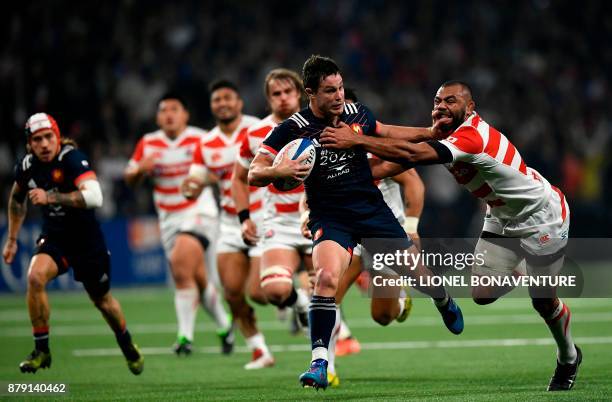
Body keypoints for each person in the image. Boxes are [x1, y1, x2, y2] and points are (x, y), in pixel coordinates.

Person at [320, 80, 581, 391]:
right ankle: (527, 270)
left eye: (451, 101)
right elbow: (391, 164)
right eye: (437, 100)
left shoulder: (471, 137)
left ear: (470, 108)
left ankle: (568, 357)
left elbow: (411, 154)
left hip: (541, 217)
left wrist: (356, 141)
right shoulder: (449, 134)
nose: (441, 106)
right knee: (481, 295)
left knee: (543, 302)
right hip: (501, 213)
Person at [248, 55, 464, 390]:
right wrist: (279, 171)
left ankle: (443, 300)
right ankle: (319, 363)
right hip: (331, 218)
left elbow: (388, 131)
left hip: (372, 213)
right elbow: (254, 171)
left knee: (420, 279)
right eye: (330, 91)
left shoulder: (355, 114)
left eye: (340, 88)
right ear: (311, 93)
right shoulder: (291, 129)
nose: (338, 96)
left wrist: (429, 132)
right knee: (324, 279)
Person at [2, 113, 144, 374]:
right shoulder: (26, 166)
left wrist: (52, 196)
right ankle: (41, 350)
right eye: (37, 140)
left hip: (87, 241)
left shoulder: (71, 158)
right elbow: (15, 200)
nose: (44, 144)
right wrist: (12, 239)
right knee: (35, 277)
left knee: (103, 302)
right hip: (55, 237)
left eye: (48, 137)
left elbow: (95, 197)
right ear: (29, 144)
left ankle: (126, 344)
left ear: (57, 136)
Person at [124, 93, 232, 356]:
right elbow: (129, 178)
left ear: (186, 114)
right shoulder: (148, 144)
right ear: (157, 116)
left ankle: (185, 337)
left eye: (175, 109)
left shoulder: (200, 139)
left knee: (181, 266)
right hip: (168, 219)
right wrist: (139, 170)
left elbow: (222, 169)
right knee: (196, 277)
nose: (169, 115)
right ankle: (225, 325)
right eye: (163, 110)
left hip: (200, 212)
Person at [183, 80, 274, 370]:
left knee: (260, 292)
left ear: (239, 102)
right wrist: (191, 186)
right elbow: (196, 178)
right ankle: (259, 349)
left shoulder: (259, 128)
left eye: (227, 98)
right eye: (217, 100)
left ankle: (296, 302)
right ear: (212, 106)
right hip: (230, 221)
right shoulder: (206, 143)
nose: (222, 104)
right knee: (232, 292)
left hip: (264, 215)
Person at [234, 69, 311, 330]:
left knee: (328, 289)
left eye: (288, 91)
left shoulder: (319, 124)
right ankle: (299, 302)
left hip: (317, 216)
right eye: (276, 94)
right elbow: (239, 177)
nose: (283, 98)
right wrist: (244, 218)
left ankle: (331, 351)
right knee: (273, 291)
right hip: (277, 220)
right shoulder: (255, 133)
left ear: (299, 93)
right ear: (268, 100)